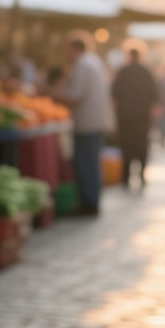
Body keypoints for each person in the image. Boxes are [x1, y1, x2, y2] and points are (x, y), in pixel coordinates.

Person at [56, 31, 110, 216]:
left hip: (87, 123)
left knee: (84, 163)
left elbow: (75, 96)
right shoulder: (93, 61)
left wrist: (53, 93)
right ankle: (91, 200)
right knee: (91, 163)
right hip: (95, 121)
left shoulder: (83, 64)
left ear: (73, 48)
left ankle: (88, 202)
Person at [111, 42, 158, 189]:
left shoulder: (123, 71)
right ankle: (140, 176)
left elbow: (114, 92)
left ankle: (127, 178)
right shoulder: (145, 71)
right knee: (140, 146)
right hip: (140, 116)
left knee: (128, 146)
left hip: (127, 115)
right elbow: (154, 94)